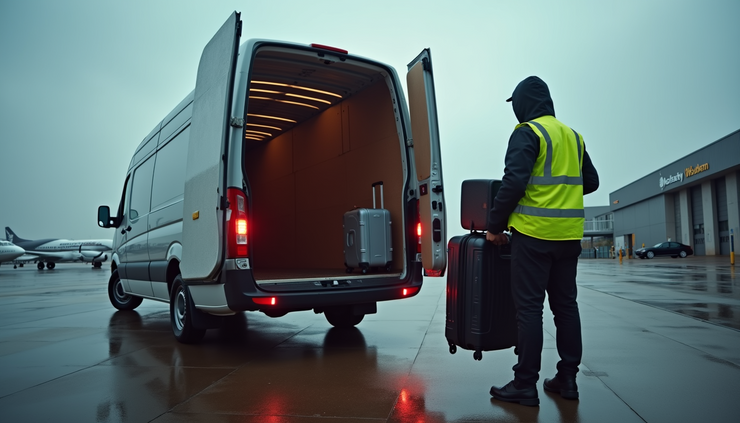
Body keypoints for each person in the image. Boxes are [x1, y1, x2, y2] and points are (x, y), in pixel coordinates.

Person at [486, 76, 599, 406]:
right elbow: (590, 181)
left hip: (533, 236)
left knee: (530, 312)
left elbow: (514, 182)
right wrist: (561, 194)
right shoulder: (572, 136)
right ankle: (567, 379)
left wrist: (495, 225)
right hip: (568, 239)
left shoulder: (528, 132)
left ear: (522, 103)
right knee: (566, 308)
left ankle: (524, 384)